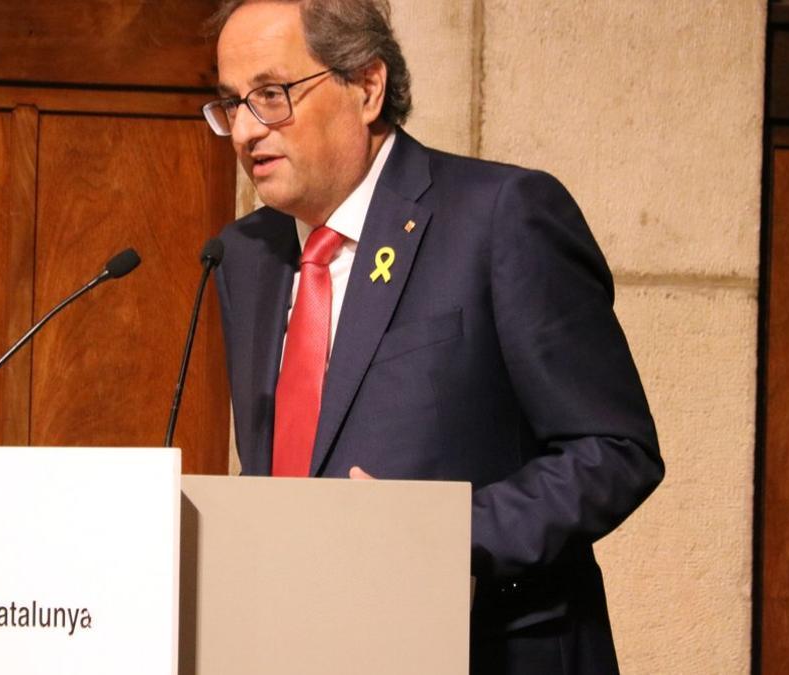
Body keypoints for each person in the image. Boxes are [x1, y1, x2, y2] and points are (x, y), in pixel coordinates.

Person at [203, 1, 664, 673]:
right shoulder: (244, 256)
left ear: (366, 86)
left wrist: (443, 537)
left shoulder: (500, 216)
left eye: (271, 96)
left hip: (489, 646)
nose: (244, 130)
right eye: (230, 103)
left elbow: (616, 451)